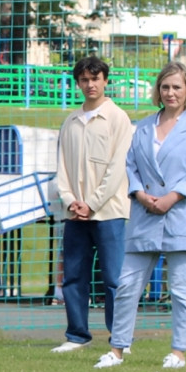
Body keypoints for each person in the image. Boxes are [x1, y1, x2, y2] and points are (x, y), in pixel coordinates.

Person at [96, 61, 186, 370]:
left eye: (176, 87)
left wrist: (173, 197)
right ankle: (117, 348)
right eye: (165, 87)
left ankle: (178, 352)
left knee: (181, 288)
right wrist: (139, 194)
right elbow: (130, 164)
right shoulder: (145, 126)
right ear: (157, 91)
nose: (170, 92)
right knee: (127, 285)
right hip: (144, 214)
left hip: (181, 215)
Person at [51, 56, 133, 353]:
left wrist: (93, 203)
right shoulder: (71, 121)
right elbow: (61, 169)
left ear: (105, 81)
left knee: (113, 278)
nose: (90, 85)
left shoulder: (118, 118)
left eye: (95, 79)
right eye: (84, 80)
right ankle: (76, 335)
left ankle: (120, 338)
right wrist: (71, 201)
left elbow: (119, 166)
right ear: (78, 83)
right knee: (74, 276)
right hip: (75, 214)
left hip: (109, 212)